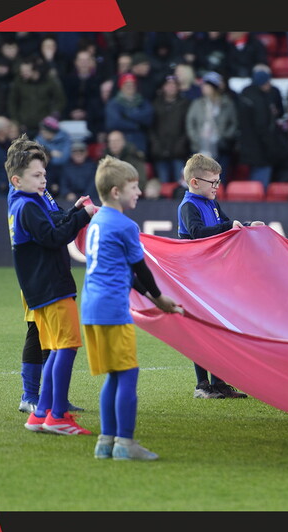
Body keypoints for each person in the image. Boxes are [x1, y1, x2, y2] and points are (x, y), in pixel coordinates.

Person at [82, 156, 184, 461]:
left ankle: (105, 442)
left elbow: (123, 272)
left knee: (114, 374)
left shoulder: (97, 221)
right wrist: (159, 298)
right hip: (112, 308)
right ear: (116, 192)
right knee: (127, 373)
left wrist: (151, 297)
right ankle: (125, 444)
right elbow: (140, 269)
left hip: (91, 307)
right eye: (134, 186)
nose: (138, 192)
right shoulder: (126, 225)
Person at [7, 135, 96, 435]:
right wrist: (82, 216)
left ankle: (41, 412)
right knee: (66, 347)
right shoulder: (27, 205)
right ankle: (55, 413)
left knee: (57, 347)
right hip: (51, 287)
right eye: (37, 174)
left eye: (44, 173)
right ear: (17, 179)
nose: (43, 179)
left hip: (42, 288)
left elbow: (55, 224)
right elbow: (55, 237)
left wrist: (74, 213)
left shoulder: (27, 200)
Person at [177, 153, 264, 399]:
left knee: (218, 329)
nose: (217, 186)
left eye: (218, 181)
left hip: (214, 276)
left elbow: (227, 223)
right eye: (213, 182)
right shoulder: (188, 206)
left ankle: (219, 383)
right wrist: (230, 226)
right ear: (195, 182)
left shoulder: (212, 203)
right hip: (196, 278)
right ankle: (202, 385)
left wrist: (247, 225)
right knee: (202, 331)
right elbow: (197, 233)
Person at [237, 68, 288, 187]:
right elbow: (262, 126)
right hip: (261, 149)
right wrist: (272, 147)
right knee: (260, 181)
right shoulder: (260, 100)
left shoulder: (245, 95)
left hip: (248, 146)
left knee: (254, 177)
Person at [185, 71, 238, 180]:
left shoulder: (227, 103)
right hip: (200, 149)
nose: (203, 88)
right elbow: (190, 123)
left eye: (206, 85)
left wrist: (225, 136)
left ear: (214, 87)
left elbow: (234, 124)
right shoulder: (197, 103)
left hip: (221, 148)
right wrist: (196, 139)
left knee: (219, 180)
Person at [8, 56, 67, 139]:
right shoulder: (18, 82)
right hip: (24, 126)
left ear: (35, 70)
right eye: (22, 71)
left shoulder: (50, 81)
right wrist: (17, 121)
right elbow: (12, 102)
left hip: (45, 127)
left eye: (26, 71)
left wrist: (51, 118)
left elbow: (60, 100)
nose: (22, 73)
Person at [148, 74, 191, 184]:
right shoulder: (155, 104)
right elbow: (151, 128)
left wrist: (181, 145)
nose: (171, 87)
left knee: (180, 184)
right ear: (163, 87)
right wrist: (156, 145)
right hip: (160, 151)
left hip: (179, 152)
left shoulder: (185, 104)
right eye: (168, 85)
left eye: (174, 85)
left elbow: (187, 127)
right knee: (163, 184)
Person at [105, 73, 154, 156]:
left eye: (132, 84)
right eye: (126, 84)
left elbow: (148, 118)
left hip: (139, 143)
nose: (130, 87)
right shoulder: (113, 103)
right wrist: (137, 125)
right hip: (120, 145)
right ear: (121, 86)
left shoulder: (143, 102)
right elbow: (114, 122)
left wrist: (127, 115)